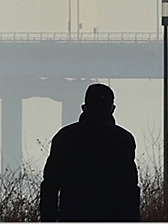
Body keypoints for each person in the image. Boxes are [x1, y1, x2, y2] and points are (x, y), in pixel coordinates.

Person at [40, 83, 140, 222]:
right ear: (112, 109)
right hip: (111, 217)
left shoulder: (65, 137)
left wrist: (48, 219)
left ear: (84, 107)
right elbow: (129, 189)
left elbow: (50, 185)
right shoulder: (123, 139)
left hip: (72, 216)